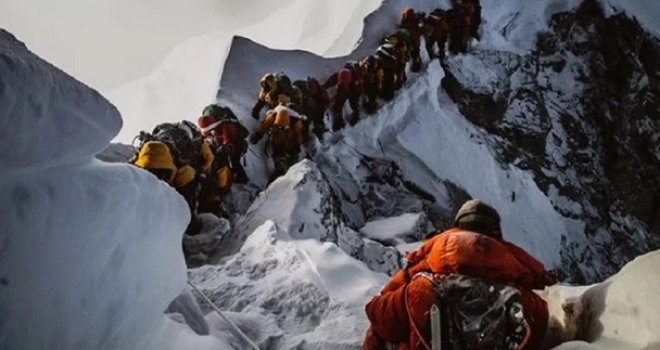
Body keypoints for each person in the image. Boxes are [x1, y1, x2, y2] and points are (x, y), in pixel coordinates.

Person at [363, 199, 556, 350]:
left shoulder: (422, 284)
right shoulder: (526, 301)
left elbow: (378, 315)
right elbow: (538, 334)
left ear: (456, 228)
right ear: (497, 236)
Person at [249, 103, 305, 182]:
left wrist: (258, 135)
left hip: (287, 136)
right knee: (279, 147)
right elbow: (264, 126)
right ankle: (282, 167)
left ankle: (286, 166)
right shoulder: (276, 117)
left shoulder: (294, 121)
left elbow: (298, 135)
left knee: (283, 149)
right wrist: (258, 135)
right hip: (282, 136)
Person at [198, 104, 250, 184]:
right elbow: (204, 136)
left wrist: (225, 147)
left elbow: (228, 140)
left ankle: (242, 178)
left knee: (234, 161)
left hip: (237, 144)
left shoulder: (226, 127)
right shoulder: (213, 129)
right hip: (227, 144)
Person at [322, 64, 363, 131]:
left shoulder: (356, 79)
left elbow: (359, 91)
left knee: (354, 104)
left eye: (345, 83)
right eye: (342, 82)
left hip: (354, 90)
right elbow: (331, 81)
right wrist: (323, 87)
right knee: (338, 106)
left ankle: (356, 116)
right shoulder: (339, 74)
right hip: (343, 90)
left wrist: (352, 95)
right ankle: (339, 122)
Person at [399, 8, 424, 72]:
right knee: (416, 52)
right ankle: (418, 64)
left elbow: (402, 26)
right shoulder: (415, 19)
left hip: (411, 40)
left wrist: (403, 18)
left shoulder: (407, 21)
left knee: (414, 53)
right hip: (416, 39)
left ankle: (416, 65)